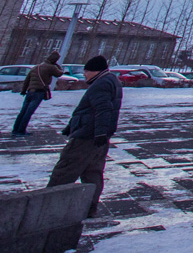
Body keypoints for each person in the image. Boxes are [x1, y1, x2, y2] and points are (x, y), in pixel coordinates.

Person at [46, 55, 121, 217]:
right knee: (92, 173)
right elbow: (91, 110)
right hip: (97, 137)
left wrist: (99, 132)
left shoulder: (101, 84)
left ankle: (47, 206)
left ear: (95, 71)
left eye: (86, 71)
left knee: (65, 170)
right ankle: (89, 208)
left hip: (87, 137)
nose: (85, 75)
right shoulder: (110, 81)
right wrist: (71, 127)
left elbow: (103, 109)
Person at [10, 50, 63, 137]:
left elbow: (27, 80)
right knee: (29, 112)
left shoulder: (36, 67)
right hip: (39, 92)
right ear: (55, 60)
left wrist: (23, 91)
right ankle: (21, 131)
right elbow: (59, 74)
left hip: (30, 91)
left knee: (23, 111)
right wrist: (57, 66)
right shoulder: (51, 67)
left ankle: (15, 129)